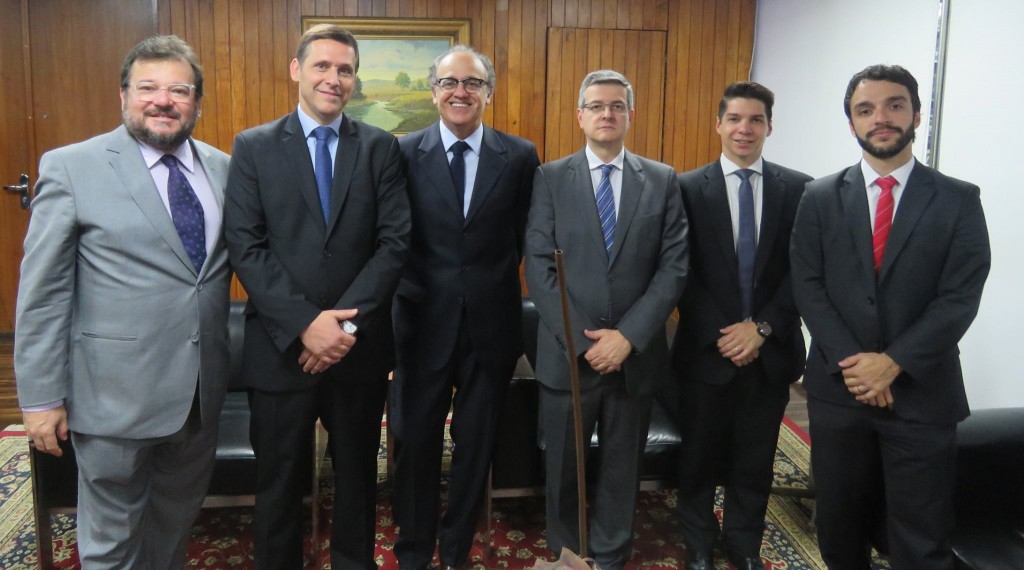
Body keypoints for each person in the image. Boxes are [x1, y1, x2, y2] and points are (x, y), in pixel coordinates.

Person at [15, 35, 231, 567]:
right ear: (123, 96)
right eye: (148, 88)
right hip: (112, 395)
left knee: (174, 525)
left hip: (200, 394)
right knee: (111, 542)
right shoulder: (72, 166)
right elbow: (42, 293)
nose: (163, 101)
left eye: (179, 90)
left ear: (197, 102)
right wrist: (41, 398)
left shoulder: (225, 169)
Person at [224, 24, 410, 570]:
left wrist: (344, 329)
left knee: (357, 476)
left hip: (359, 351)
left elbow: (394, 244)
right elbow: (246, 246)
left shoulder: (379, 148)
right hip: (281, 348)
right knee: (279, 480)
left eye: (345, 69)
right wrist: (308, 324)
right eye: (323, 66)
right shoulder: (254, 146)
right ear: (296, 70)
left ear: (355, 80)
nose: (334, 78)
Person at [790, 64, 990, 569]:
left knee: (920, 538)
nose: (881, 118)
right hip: (841, 392)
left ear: (917, 115)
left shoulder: (959, 200)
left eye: (894, 105)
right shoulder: (817, 198)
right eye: (865, 109)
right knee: (838, 527)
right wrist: (859, 365)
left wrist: (894, 362)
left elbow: (959, 297)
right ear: (852, 123)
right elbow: (808, 286)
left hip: (922, 395)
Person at [524, 69, 688, 570]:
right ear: (580, 115)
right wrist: (582, 341)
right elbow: (538, 265)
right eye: (596, 105)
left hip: (633, 359)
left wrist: (628, 338)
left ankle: (613, 553)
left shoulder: (661, 179)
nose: (606, 114)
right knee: (564, 468)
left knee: (622, 467)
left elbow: (673, 266)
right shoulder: (550, 177)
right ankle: (568, 553)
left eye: (616, 105)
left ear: (630, 115)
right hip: (569, 355)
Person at [390, 45, 540, 570]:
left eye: (472, 83)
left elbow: (525, 237)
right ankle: (413, 549)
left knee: (476, 445)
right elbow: (391, 238)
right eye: (450, 82)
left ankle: (455, 550)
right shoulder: (404, 153)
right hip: (419, 323)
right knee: (412, 443)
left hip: (491, 327)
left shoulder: (520, 156)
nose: (460, 92)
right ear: (433, 92)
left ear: (488, 93)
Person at [670, 81, 811, 570]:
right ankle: (699, 542)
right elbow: (678, 270)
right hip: (707, 351)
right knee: (699, 458)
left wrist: (762, 329)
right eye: (734, 119)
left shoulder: (800, 189)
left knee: (755, 457)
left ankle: (744, 544)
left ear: (770, 126)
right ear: (719, 124)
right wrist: (725, 333)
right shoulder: (685, 188)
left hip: (770, 352)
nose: (744, 129)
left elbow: (804, 271)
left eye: (755, 120)